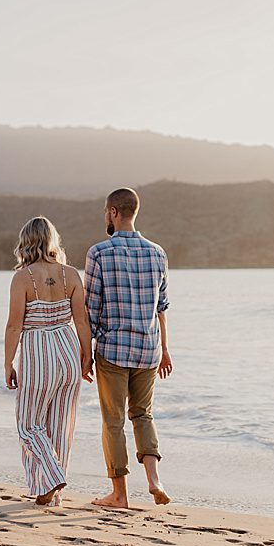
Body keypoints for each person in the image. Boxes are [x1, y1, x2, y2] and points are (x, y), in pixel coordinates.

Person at [84, 188, 172, 508]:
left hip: (114, 349)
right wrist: (164, 348)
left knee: (113, 420)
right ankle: (154, 479)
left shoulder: (99, 253)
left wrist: (85, 354)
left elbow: (91, 309)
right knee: (143, 414)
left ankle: (120, 494)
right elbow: (161, 307)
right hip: (149, 349)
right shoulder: (157, 253)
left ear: (112, 213)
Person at [4, 216, 93, 506]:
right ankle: (51, 494)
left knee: (29, 424)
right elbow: (81, 321)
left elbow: (15, 326)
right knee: (60, 424)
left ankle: (52, 476)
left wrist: (8, 363)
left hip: (37, 350)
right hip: (67, 348)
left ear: (26, 242)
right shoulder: (71, 274)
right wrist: (86, 357)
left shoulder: (23, 277)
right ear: (53, 239)